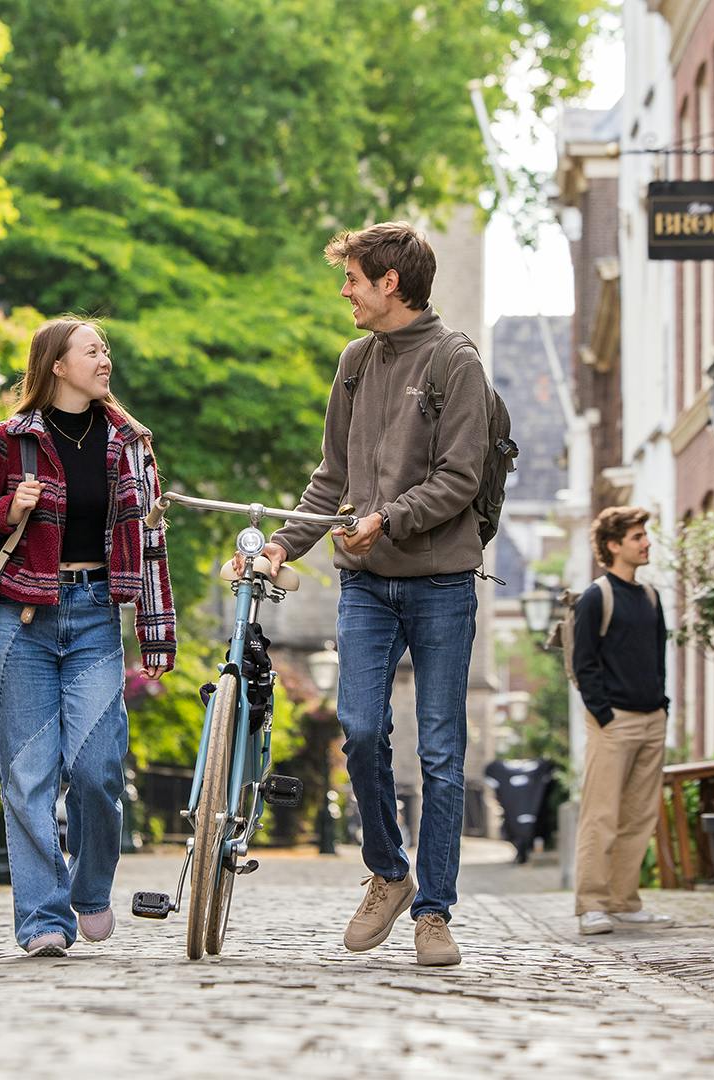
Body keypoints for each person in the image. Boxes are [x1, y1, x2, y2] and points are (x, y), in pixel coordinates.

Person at [252, 221, 488, 967]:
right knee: (358, 729)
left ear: (391, 282)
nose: (345, 290)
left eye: (354, 277)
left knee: (443, 751)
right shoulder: (354, 363)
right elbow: (331, 479)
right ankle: (388, 870)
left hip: (443, 583)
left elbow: (461, 479)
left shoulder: (457, 364)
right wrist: (284, 544)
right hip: (366, 587)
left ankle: (434, 912)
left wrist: (391, 517)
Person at [0, 316, 175, 957]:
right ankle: (43, 918)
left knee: (98, 771)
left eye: (106, 351)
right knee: (28, 777)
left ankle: (90, 889)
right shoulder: (10, 442)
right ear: (57, 366)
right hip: (23, 621)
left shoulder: (130, 442)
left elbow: (150, 541)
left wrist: (156, 627)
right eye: (92, 351)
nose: (105, 360)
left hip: (97, 613)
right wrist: (4, 511)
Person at [570, 505, 673, 935]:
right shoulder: (597, 596)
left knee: (639, 816)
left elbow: (658, 657)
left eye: (645, 536)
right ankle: (591, 903)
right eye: (637, 537)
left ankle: (624, 900)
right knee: (601, 814)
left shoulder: (651, 596)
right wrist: (604, 714)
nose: (646, 542)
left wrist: (662, 705)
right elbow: (583, 662)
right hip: (614, 723)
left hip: (652, 720)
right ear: (613, 546)